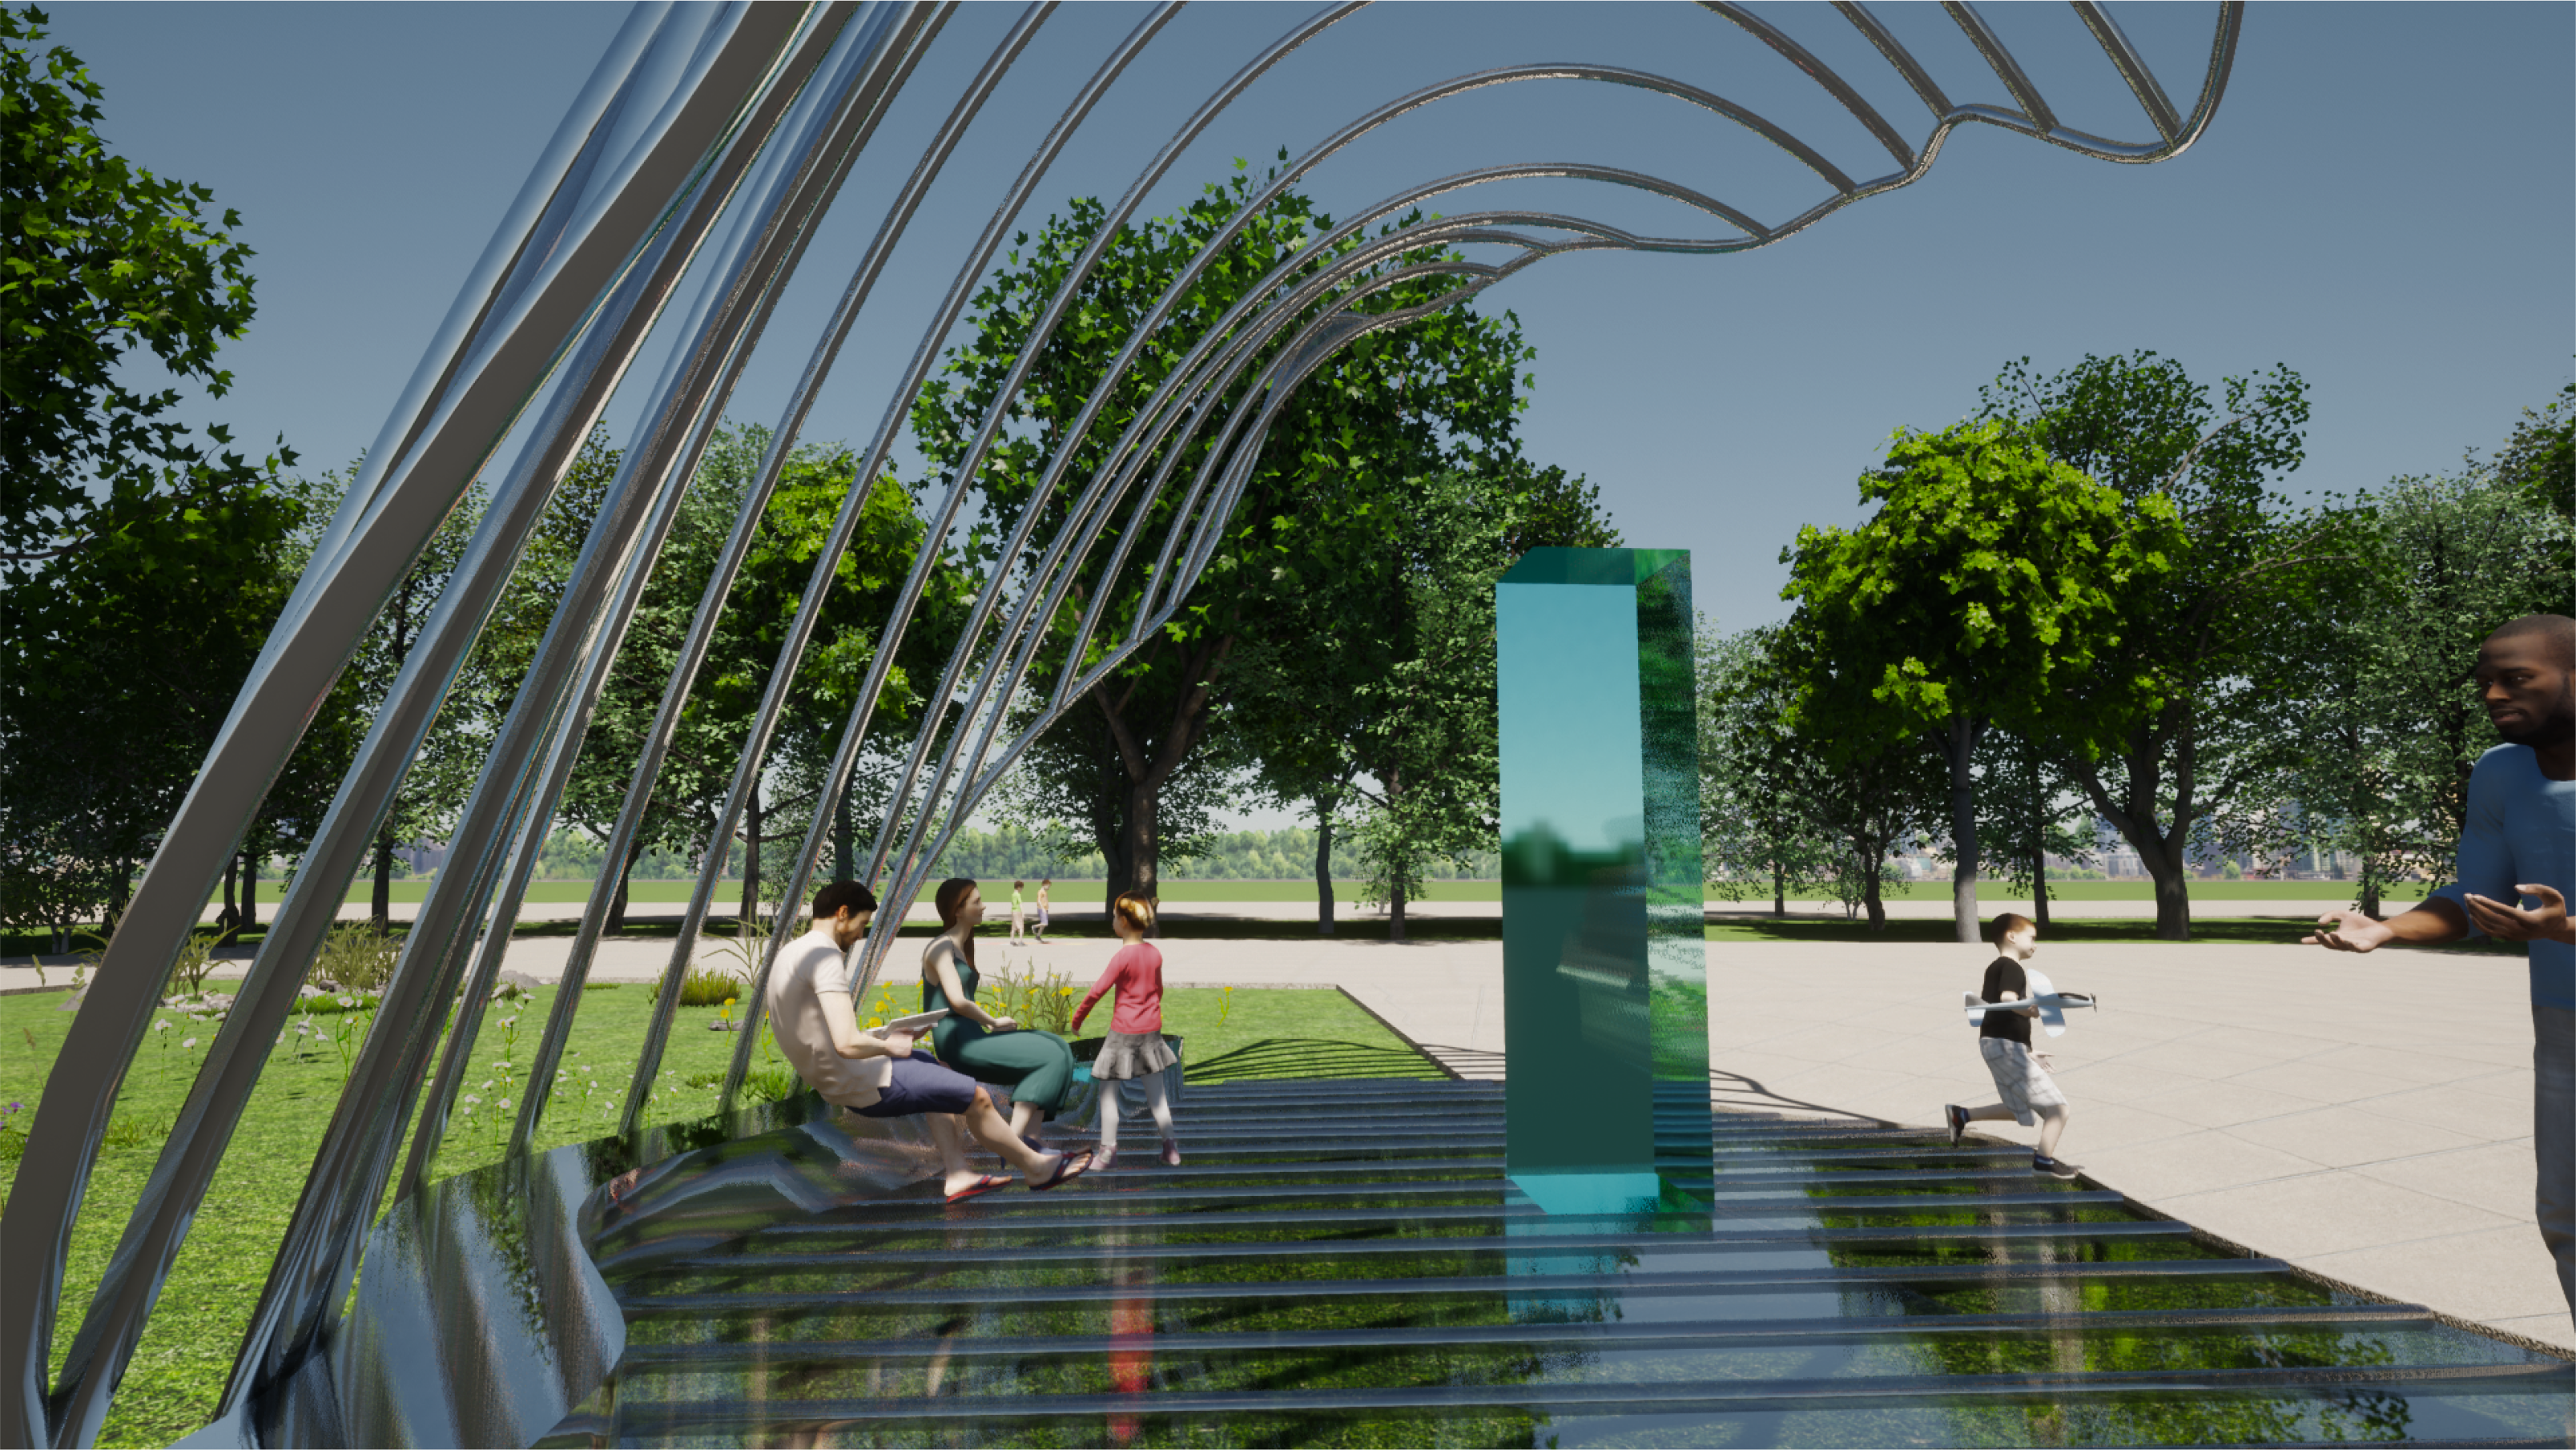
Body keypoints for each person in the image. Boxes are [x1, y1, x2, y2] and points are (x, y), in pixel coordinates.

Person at [2307, 613, 2576, 1322]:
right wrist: (2386, 930)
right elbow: (2471, 899)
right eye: (2484, 681)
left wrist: (2566, 930)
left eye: (2515, 679)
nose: (2491, 695)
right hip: (2563, 1026)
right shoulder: (2500, 773)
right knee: (2567, 1217)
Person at [767, 879, 1089, 1202]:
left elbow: (821, 1033)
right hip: (862, 1079)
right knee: (977, 1097)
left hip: (836, 1077)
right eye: (862, 924)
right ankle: (1036, 1168)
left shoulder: (792, 953)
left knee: (931, 1065)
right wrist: (888, 1046)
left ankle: (958, 1173)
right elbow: (847, 1044)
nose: (861, 934)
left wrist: (885, 1035)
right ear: (842, 913)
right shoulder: (826, 957)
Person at [924, 876, 1078, 1143]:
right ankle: (1014, 1143)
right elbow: (957, 1001)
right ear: (957, 910)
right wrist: (993, 1022)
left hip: (973, 1035)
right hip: (959, 1043)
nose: (984, 907)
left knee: (1060, 1047)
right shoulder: (941, 948)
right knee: (1050, 1056)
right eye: (977, 901)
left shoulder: (960, 945)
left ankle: (1032, 1139)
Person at [1943, 912, 2079, 1179]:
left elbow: (1998, 1014)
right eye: (2031, 938)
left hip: (1998, 1044)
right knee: (2058, 1109)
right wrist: (2031, 1011)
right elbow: (2007, 1001)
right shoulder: (2012, 968)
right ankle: (2043, 1161)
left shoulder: (1995, 968)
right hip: (2004, 1046)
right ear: (2012, 936)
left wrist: (2028, 1051)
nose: (2035, 944)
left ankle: (1961, 1115)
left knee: (2022, 1107)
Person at [1070, 892, 1181, 1168]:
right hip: (1151, 1033)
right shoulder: (1154, 954)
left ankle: (1107, 1152)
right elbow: (1159, 989)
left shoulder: (1122, 957)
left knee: (1108, 1094)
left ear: (1123, 921)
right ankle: (1171, 1148)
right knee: (1157, 1097)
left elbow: (1097, 991)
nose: (1111, 922)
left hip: (1122, 1033)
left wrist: (1077, 1019)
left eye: (1113, 917)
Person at [1008, 878, 1026, 945]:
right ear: (1019, 887)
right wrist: (1023, 913)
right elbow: (1020, 904)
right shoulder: (1018, 895)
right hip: (1018, 911)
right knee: (1021, 927)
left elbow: (1012, 903)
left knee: (1013, 926)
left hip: (1013, 911)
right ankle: (1021, 941)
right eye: (1022, 888)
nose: (1022, 889)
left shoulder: (1013, 894)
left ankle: (1012, 940)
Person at [1036, 876, 1052, 943]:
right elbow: (1039, 901)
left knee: (1043, 925)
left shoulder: (1045, 892)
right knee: (1045, 924)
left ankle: (1038, 936)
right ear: (1044, 885)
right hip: (1042, 909)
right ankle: (1034, 926)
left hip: (1045, 909)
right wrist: (1043, 909)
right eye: (1048, 886)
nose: (1049, 887)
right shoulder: (1040, 892)